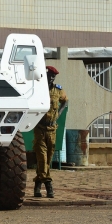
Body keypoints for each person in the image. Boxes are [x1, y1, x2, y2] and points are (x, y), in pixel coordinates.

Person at [33, 66, 68, 198]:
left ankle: (37, 185)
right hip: (40, 128)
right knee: (42, 157)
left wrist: (58, 113)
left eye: (53, 76)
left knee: (47, 159)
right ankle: (48, 185)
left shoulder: (58, 90)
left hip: (52, 128)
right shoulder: (38, 89)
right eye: (49, 75)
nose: (51, 78)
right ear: (44, 76)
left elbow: (65, 101)